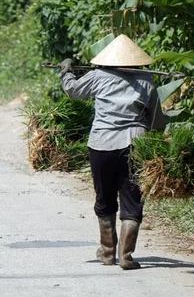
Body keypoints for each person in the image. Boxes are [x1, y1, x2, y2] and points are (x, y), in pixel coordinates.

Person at [57, 34, 166, 270]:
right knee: (132, 198)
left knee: (104, 198)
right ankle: (126, 256)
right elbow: (157, 121)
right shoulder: (147, 81)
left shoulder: (98, 76)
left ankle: (107, 253)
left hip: (101, 145)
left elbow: (73, 90)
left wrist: (66, 71)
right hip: (136, 145)